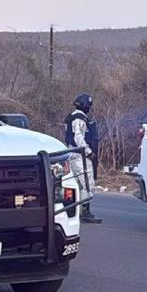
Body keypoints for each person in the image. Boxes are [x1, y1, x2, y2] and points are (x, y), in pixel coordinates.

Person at [65, 93, 101, 224]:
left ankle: (74, 211)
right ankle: (85, 212)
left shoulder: (74, 117)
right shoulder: (79, 119)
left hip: (73, 154)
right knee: (87, 183)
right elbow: (78, 137)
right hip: (80, 156)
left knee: (76, 184)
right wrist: (88, 151)